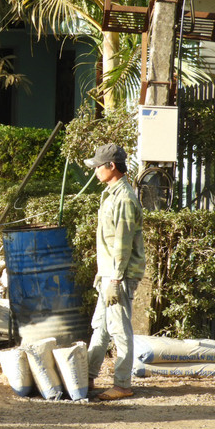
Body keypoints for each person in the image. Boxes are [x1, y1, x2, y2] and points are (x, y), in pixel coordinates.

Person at [84, 143, 145, 401]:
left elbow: (122, 243)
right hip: (108, 274)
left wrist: (116, 279)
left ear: (112, 166)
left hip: (117, 276)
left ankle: (122, 384)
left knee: (119, 329)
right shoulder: (110, 194)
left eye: (99, 166)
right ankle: (85, 376)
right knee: (101, 328)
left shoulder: (124, 199)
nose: (96, 170)